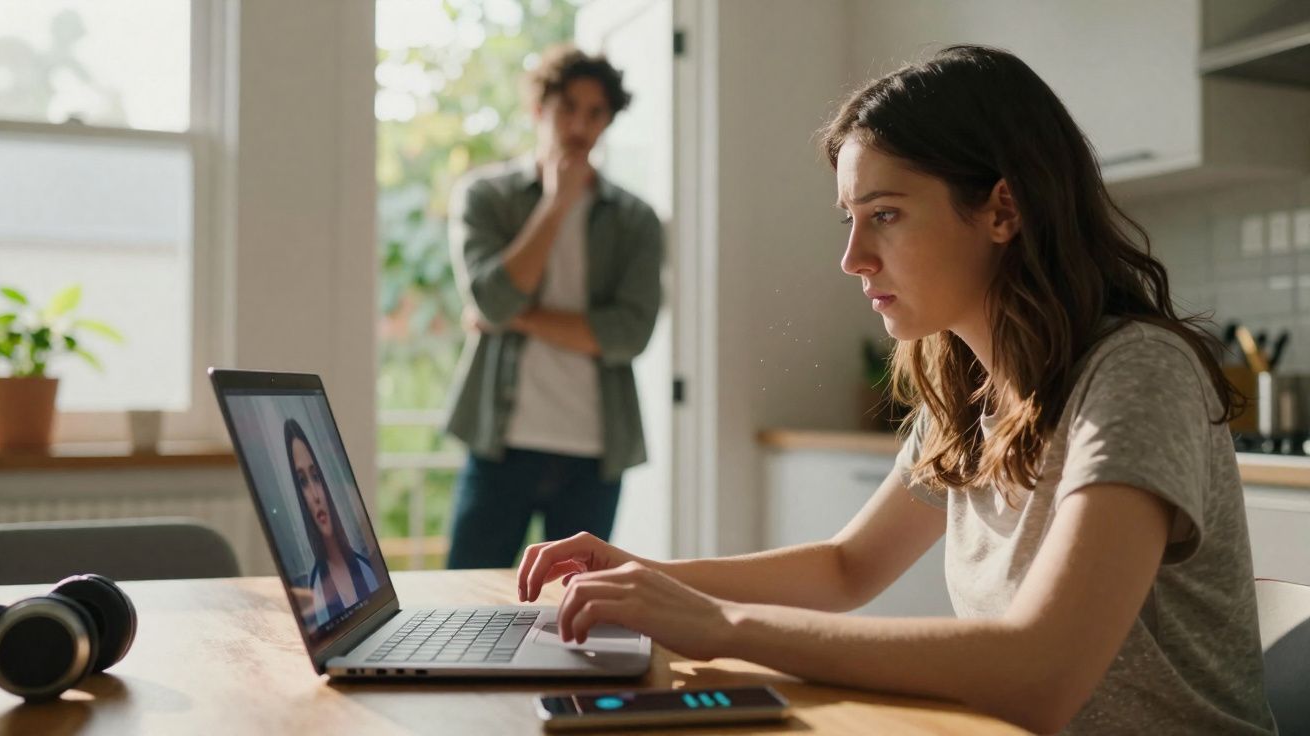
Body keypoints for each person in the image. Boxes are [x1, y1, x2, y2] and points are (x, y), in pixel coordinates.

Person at [514, 45, 1276, 735]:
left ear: (1003, 210)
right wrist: (639, 577)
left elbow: (1042, 672)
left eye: (885, 215)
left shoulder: (1135, 372)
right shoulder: (968, 392)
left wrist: (725, 624)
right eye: (850, 218)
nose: (852, 257)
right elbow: (846, 567)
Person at [443, 44, 662, 570]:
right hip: (501, 443)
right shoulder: (486, 198)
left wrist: (514, 317)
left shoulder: (635, 220)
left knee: (579, 607)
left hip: (594, 451)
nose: (580, 126)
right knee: (467, 597)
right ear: (539, 109)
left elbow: (628, 334)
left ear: (608, 121)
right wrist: (556, 202)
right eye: (568, 108)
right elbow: (492, 297)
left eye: (595, 113)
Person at [284, 418, 379, 628]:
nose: (316, 495)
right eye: (303, 482)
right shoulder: (316, 589)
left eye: (316, 476)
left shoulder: (365, 569)